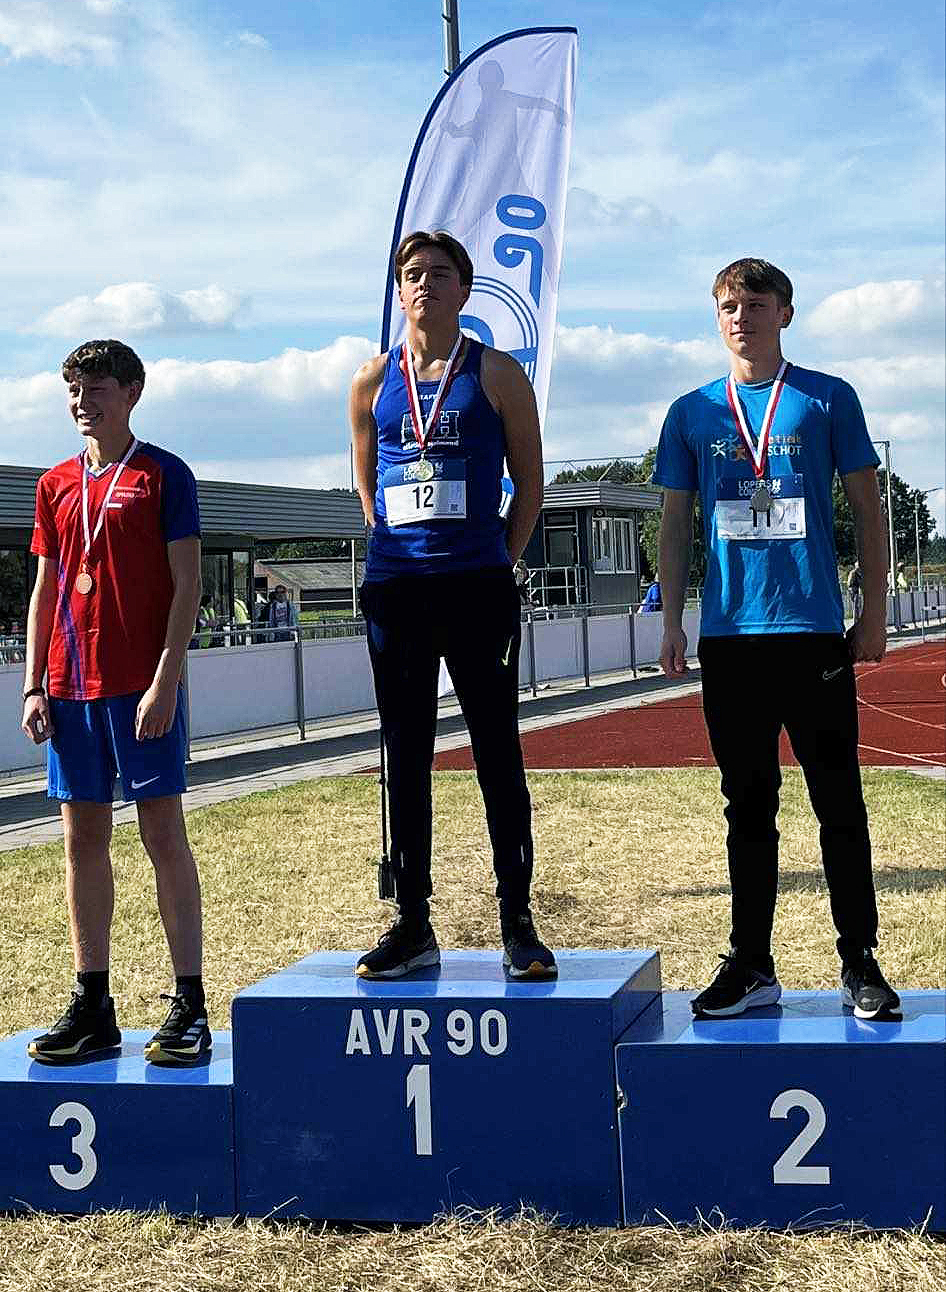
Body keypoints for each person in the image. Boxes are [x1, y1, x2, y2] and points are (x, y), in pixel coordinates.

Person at [654, 258, 899, 1021]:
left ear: (785, 314)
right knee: (746, 807)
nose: (741, 317)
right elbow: (672, 521)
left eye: (756, 304)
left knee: (839, 802)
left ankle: (859, 959)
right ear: (715, 316)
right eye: (728, 305)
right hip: (731, 638)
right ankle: (752, 964)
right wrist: (669, 619)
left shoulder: (826, 399)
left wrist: (876, 609)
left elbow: (868, 508)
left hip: (812, 632)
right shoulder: (692, 411)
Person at [349, 228, 554, 980]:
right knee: (403, 755)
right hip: (398, 587)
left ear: (465, 290)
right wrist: (394, 549)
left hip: (478, 587)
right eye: (412, 273)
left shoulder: (496, 374)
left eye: (439, 272)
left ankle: (517, 921)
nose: (425, 284)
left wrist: (500, 555)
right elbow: (368, 484)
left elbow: (530, 483)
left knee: (497, 751)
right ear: (398, 291)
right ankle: (412, 921)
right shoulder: (372, 381)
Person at [21, 338, 211, 1064]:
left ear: (132, 392)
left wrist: (168, 678)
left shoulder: (165, 475)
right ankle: (93, 1001)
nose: (82, 401)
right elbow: (45, 589)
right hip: (70, 687)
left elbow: (187, 584)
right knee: (81, 842)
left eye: (97, 388)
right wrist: (34, 682)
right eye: (74, 389)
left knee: (163, 834)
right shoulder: (55, 485)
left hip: (140, 686)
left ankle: (189, 999)